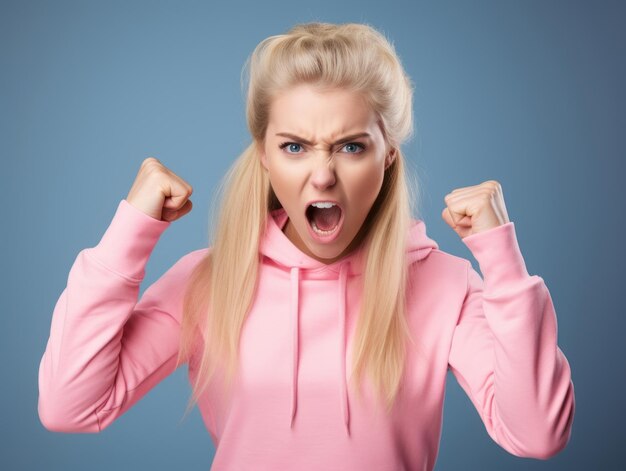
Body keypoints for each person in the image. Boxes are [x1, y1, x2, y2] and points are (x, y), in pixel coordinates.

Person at [37, 21, 575, 470]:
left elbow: (537, 434)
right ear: (265, 156)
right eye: (295, 146)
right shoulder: (210, 280)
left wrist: (501, 258)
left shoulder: (445, 286)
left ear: (387, 155)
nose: (322, 176)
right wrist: (129, 230)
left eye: (350, 146)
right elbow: (70, 406)